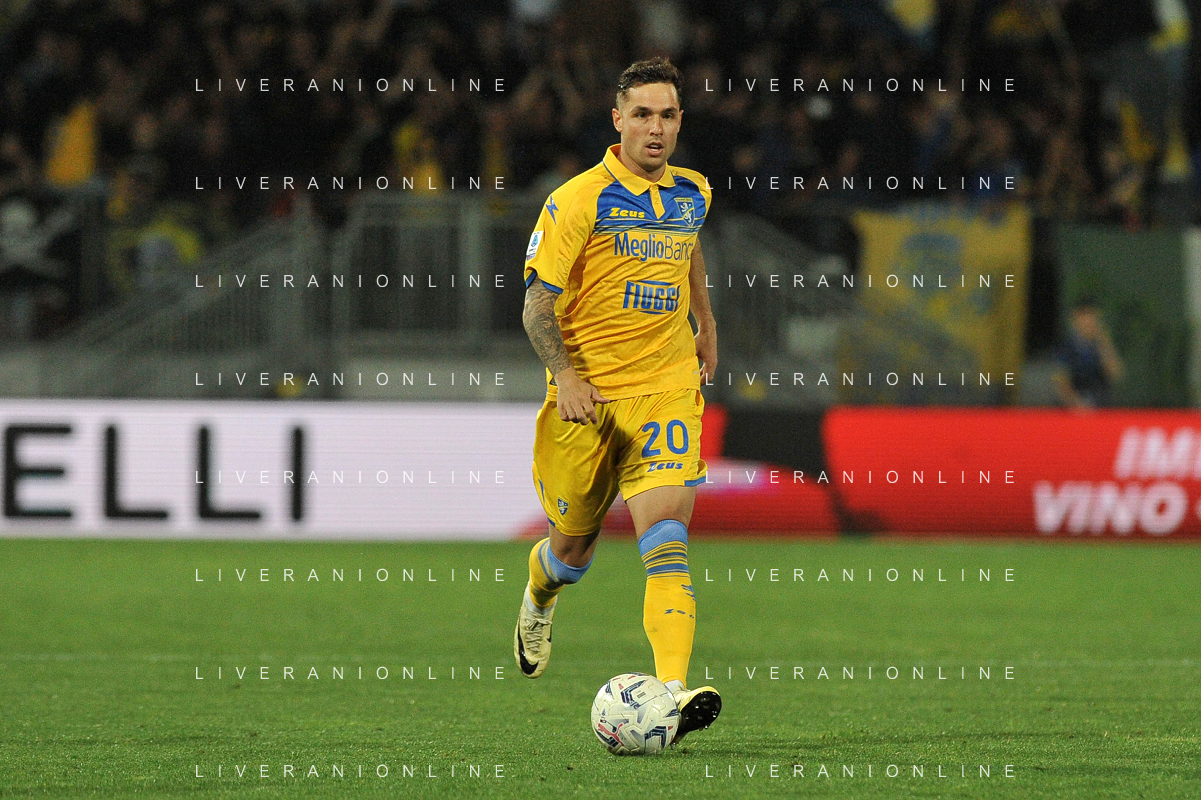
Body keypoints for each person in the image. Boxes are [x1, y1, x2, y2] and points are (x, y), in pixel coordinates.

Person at [514, 57, 721, 744]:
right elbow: (536, 304)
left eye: (667, 115)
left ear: (679, 121)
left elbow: (687, 252)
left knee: (667, 538)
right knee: (570, 553)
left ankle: (671, 690)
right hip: (589, 399)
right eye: (642, 115)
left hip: (666, 388)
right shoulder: (577, 200)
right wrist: (566, 376)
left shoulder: (693, 191)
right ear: (617, 120)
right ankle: (540, 592)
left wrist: (705, 326)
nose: (655, 129)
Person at [1053, 296, 1125, 408]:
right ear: (1075, 320)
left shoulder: (1102, 344)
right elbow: (1061, 381)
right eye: (1084, 317)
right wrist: (1078, 405)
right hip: (1074, 407)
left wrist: (1104, 343)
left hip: (1102, 406)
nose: (1088, 322)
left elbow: (1115, 374)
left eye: (1092, 317)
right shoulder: (1065, 347)